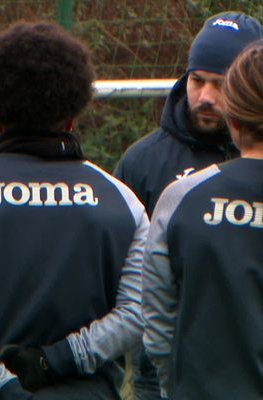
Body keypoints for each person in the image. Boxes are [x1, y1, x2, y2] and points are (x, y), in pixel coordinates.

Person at [0, 21, 149, 400]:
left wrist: (0, 386)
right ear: (71, 116)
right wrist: (54, 361)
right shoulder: (120, 200)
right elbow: (137, 312)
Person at [113, 11, 263, 399]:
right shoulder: (142, 162)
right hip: (166, 376)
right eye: (197, 81)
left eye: (221, 83)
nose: (207, 97)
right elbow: (127, 277)